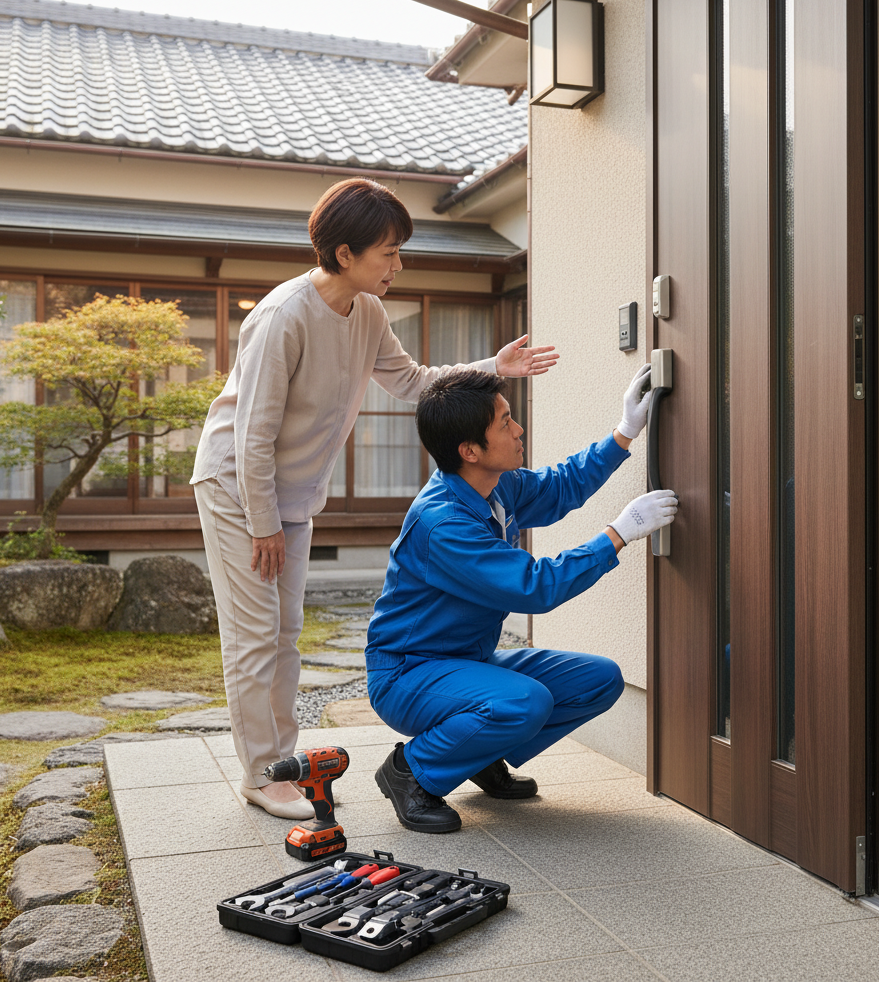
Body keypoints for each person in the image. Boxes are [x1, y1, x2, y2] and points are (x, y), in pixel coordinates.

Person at [191, 178, 557, 819]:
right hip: (237, 490)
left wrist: (493, 368)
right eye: (387, 253)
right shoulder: (283, 316)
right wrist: (262, 523)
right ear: (343, 255)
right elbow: (254, 435)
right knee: (254, 635)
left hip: (293, 496)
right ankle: (260, 774)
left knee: (285, 633)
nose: (397, 265)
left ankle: (281, 763)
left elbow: (411, 382)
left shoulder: (366, 313)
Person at [366, 365, 678, 833]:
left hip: (467, 662)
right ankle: (411, 770)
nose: (519, 429)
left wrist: (624, 432)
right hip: (408, 673)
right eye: (505, 422)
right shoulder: (445, 523)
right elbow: (535, 586)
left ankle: (476, 754)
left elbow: (558, 486)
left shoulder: (495, 485)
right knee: (524, 701)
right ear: (469, 450)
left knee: (600, 679)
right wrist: (619, 534)